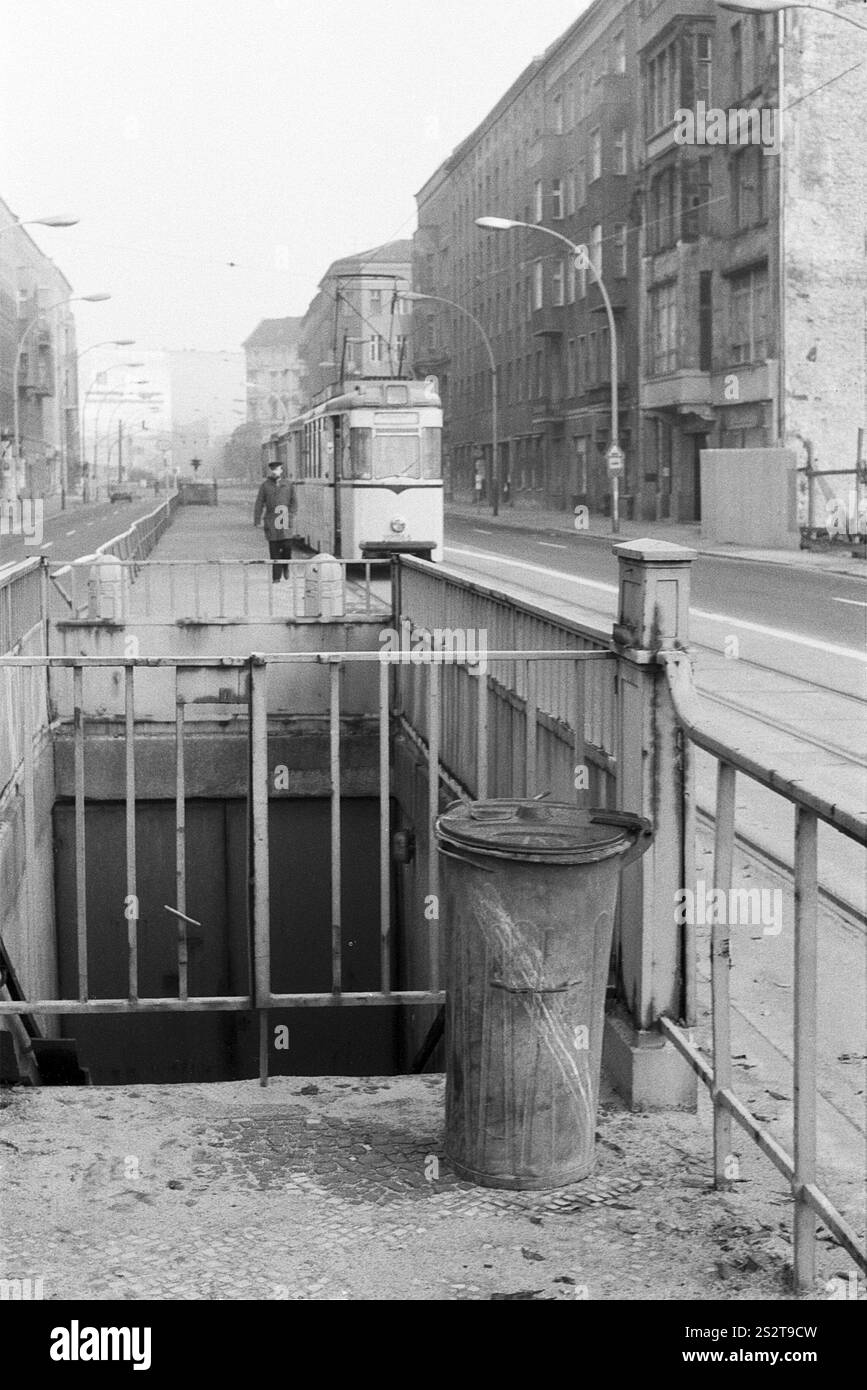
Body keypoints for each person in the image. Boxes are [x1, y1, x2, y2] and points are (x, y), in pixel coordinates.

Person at [253, 461, 297, 582]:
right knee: (274, 549)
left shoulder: (288, 484)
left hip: (285, 519)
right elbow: (259, 503)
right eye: (273, 470)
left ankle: (285, 566)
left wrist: (291, 514)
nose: (275, 472)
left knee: (287, 547)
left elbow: (294, 502)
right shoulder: (265, 486)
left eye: (277, 470)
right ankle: (276, 577)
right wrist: (257, 519)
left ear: (281, 470)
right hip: (271, 520)